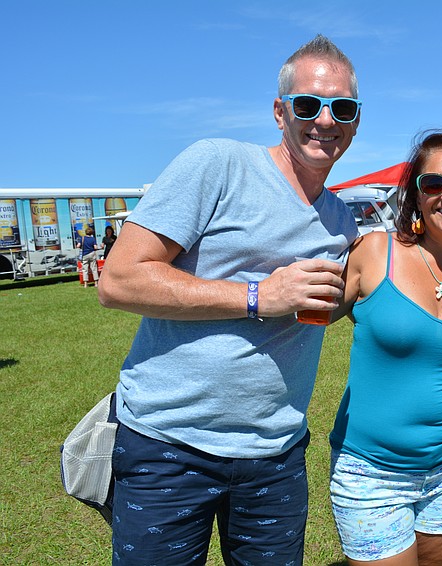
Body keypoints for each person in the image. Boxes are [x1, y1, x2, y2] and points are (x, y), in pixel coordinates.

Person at [98, 34, 360, 565]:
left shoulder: (341, 221)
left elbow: (332, 304)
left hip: (275, 454)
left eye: (343, 108)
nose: (325, 120)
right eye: (308, 105)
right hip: (168, 445)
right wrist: (260, 295)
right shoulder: (217, 164)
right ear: (280, 112)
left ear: (356, 121)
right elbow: (119, 280)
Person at [327, 131, 442, 565]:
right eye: (433, 184)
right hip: (369, 472)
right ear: (416, 196)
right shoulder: (375, 252)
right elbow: (305, 319)